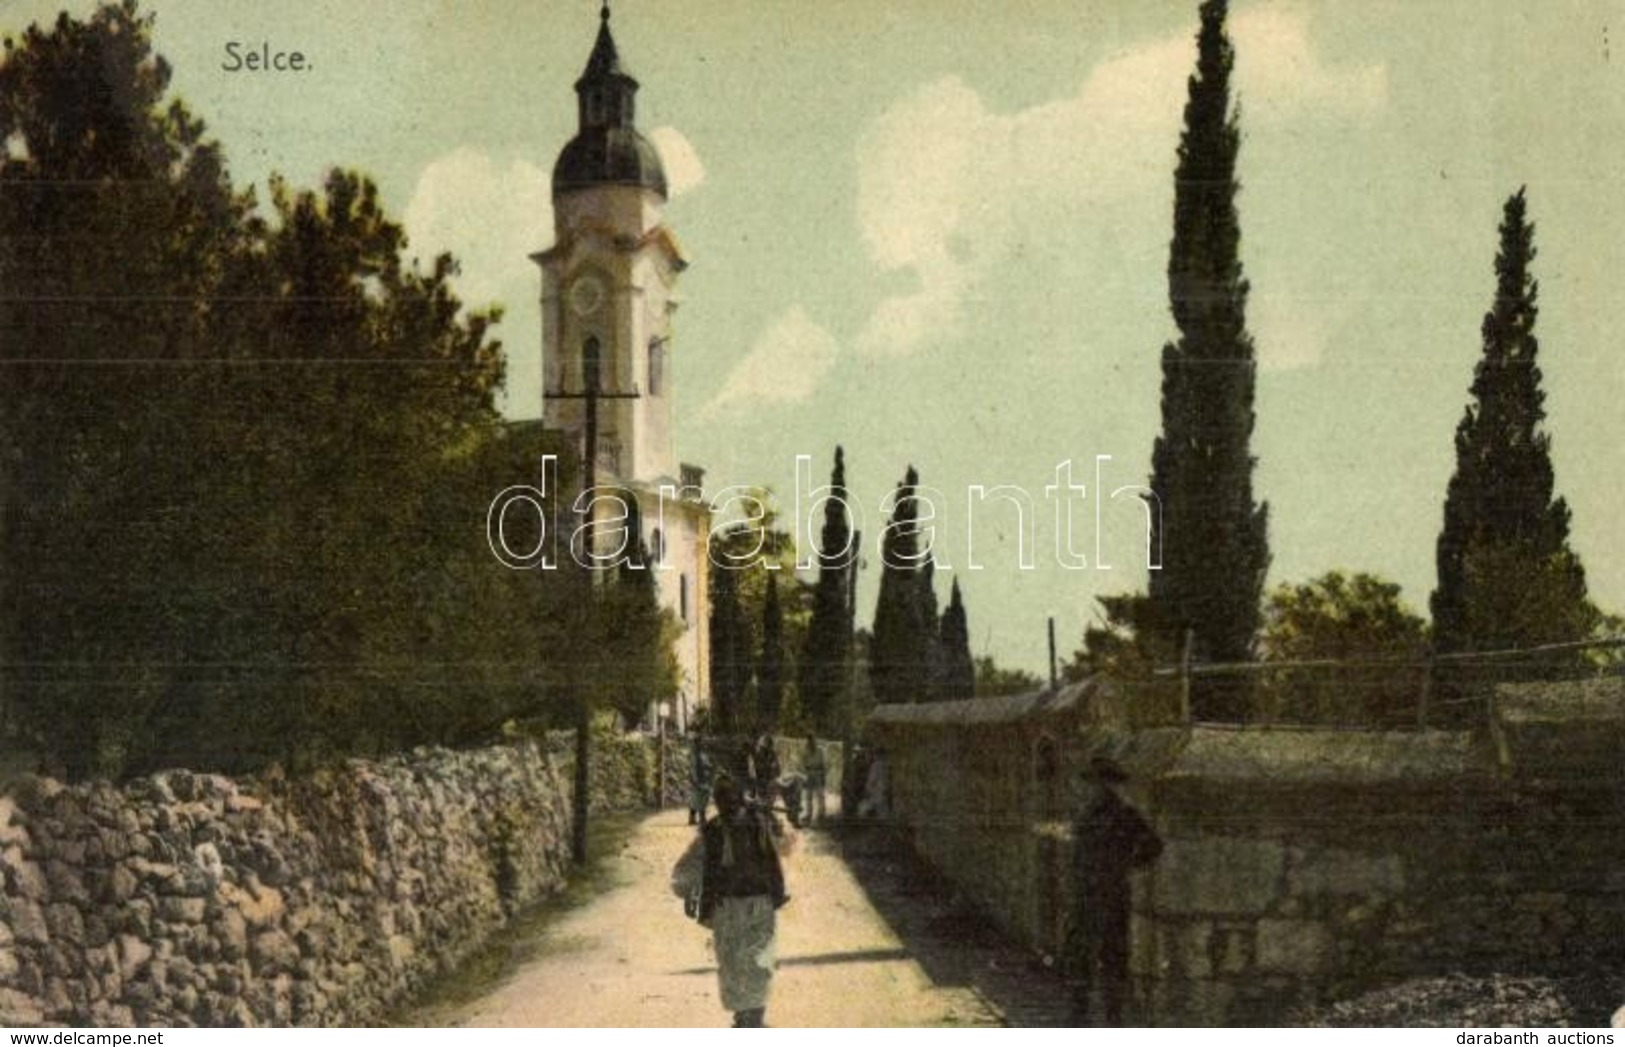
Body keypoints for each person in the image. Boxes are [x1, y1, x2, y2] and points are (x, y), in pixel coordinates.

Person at [1066, 755, 1163, 1027]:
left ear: (1108, 784)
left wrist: (1126, 865)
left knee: (1113, 957)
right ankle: (1080, 1016)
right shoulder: (1086, 815)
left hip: (1111, 895)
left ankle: (1112, 1018)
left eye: (1099, 782)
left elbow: (1154, 845)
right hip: (1086, 894)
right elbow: (1080, 853)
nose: (1095, 788)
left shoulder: (1125, 814)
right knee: (1080, 954)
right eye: (1093, 783)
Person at [698, 772, 789, 1028]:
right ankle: (748, 1015)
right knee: (744, 959)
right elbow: (711, 872)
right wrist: (779, 894)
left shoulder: (737, 825)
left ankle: (749, 1016)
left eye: (723, 797)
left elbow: (770, 859)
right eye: (719, 798)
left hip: (743, 904)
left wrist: (705, 909)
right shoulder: (730, 827)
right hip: (743, 904)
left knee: (745, 960)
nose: (721, 803)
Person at [748, 732, 781, 806]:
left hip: (768, 781)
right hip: (760, 781)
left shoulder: (772, 754)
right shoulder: (757, 755)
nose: (761, 750)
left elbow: (777, 770)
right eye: (762, 748)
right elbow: (754, 770)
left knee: (768, 800)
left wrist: (772, 770)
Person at [801, 735, 828, 826]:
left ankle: (821, 814)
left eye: (812, 741)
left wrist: (823, 776)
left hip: (818, 773)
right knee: (808, 796)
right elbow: (804, 763)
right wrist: (806, 773)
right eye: (809, 742)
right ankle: (809, 814)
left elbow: (824, 765)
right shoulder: (806, 750)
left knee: (820, 795)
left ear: (815, 741)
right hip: (809, 774)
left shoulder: (820, 750)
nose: (810, 743)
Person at [689, 738, 713, 826]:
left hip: (704, 778)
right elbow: (693, 768)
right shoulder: (695, 755)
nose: (702, 745)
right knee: (697, 798)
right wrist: (694, 779)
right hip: (699, 779)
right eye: (699, 743)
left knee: (702, 798)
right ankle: (696, 818)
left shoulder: (703, 754)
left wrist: (709, 767)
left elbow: (706, 765)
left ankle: (699, 818)